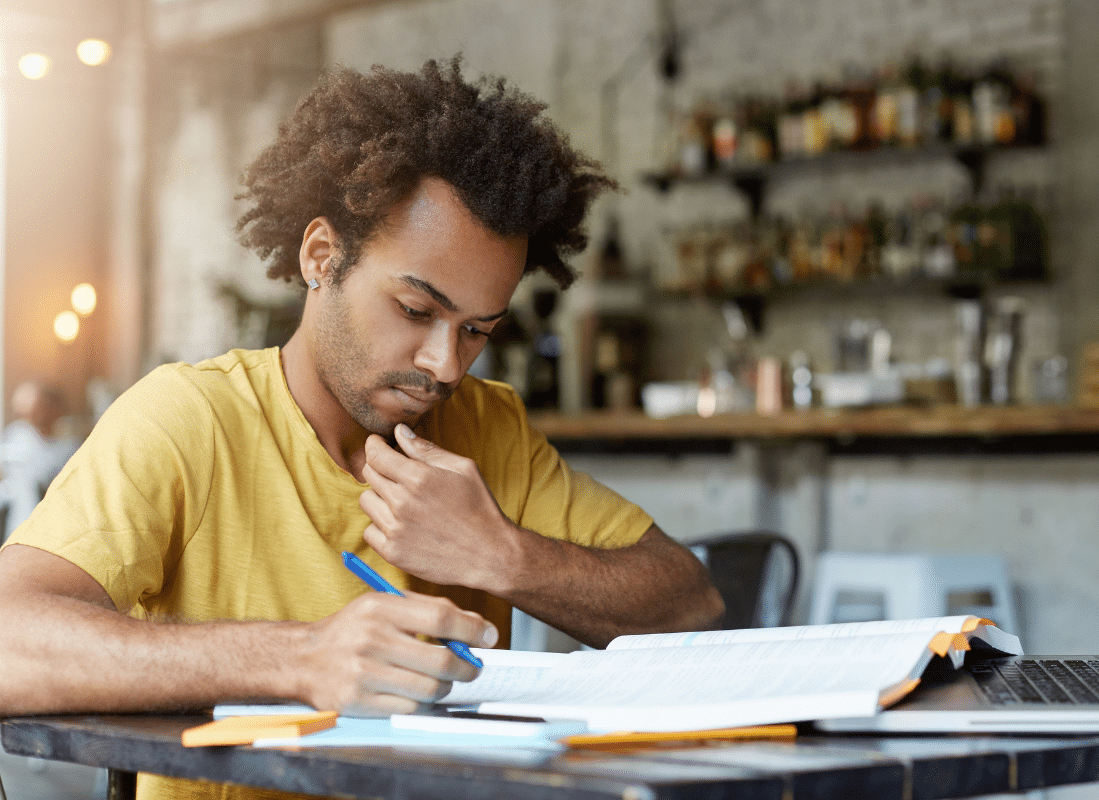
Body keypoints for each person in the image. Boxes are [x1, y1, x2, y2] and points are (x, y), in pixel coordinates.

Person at [0, 58, 723, 800]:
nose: (445, 365)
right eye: (415, 311)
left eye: (476, 329)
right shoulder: (190, 422)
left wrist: (503, 556)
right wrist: (303, 658)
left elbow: (689, 602)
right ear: (322, 257)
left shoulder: (487, 428)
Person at [0, 380, 79, 542]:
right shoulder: (18, 436)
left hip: (58, 531)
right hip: (19, 526)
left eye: (38, 406)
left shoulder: (71, 444)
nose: (28, 413)